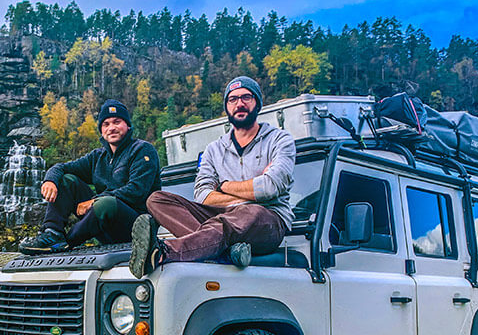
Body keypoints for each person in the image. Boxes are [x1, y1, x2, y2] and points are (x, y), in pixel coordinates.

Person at [129, 76, 295, 278]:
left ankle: (164, 252)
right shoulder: (214, 149)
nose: (239, 103)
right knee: (157, 199)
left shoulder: (280, 140)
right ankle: (220, 251)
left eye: (246, 97)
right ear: (226, 107)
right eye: (232, 99)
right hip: (219, 217)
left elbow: (269, 188)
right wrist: (250, 192)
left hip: (268, 221)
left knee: (251, 212)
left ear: (257, 103)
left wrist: (224, 186)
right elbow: (202, 195)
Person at [19, 99, 161, 254]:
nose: (111, 128)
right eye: (106, 124)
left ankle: (66, 242)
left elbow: (137, 190)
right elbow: (61, 167)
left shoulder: (143, 150)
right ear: (101, 130)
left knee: (105, 203)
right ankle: (52, 233)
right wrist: (50, 180)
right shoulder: (97, 156)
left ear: (127, 125)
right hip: (106, 227)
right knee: (67, 180)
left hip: (135, 228)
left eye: (117, 122)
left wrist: (95, 200)